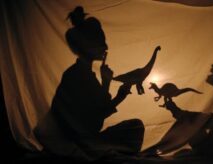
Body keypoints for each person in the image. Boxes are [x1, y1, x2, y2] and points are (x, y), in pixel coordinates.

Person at [35, 6, 144, 161]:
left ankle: (97, 149)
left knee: (135, 126)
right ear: (87, 45)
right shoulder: (76, 75)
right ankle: (93, 152)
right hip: (76, 142)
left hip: (85, 139)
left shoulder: (85, 74)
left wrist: (118, 94)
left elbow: (97, 112)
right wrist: (106, 83)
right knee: (135, 129)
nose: (105, 47)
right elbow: (93, 120)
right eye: (100, 42)